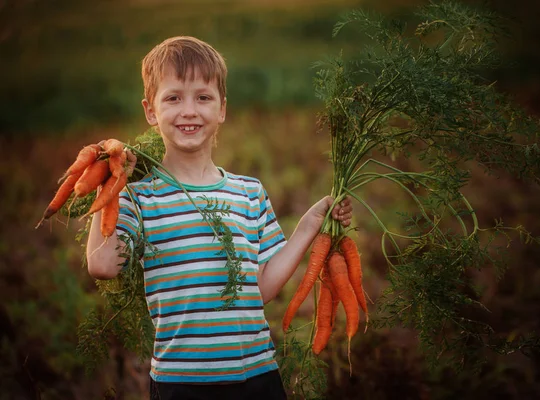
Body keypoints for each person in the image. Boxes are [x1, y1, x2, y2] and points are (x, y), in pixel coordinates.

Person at [86, 36, 353, 400]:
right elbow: (102, 265)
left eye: (203, 97)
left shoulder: (248, 192)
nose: (189, 111)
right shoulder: (140, 196)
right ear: (151, 111)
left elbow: (263, 288)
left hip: (258, 375)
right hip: (180, 383)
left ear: (222, 109)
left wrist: (310, 224)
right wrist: (111, 182)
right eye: (174, 98)